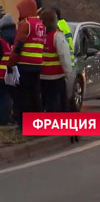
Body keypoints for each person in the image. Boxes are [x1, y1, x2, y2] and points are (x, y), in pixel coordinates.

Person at [7, 0, 45, 130]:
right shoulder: (41, 23)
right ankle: (38, 125)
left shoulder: (26, 24)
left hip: (24, 65)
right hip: (37, 65)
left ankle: (24, 125)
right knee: (35, 95)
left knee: (23, 96)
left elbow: (18, 46)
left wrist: (10, 63)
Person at [39, 10, 75, 141]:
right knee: (59, 103)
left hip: (42, 76)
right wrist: (68, 72)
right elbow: (64, 56)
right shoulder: (57, 36)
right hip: (56, 76)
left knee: (45, 102)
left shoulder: (40, 36)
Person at [0, 34, 11, 125]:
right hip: (4, 74)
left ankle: (3, 120)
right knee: (5, 97)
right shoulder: (3, 42)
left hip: (1, 74)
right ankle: (5, 119)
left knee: (3, 97)